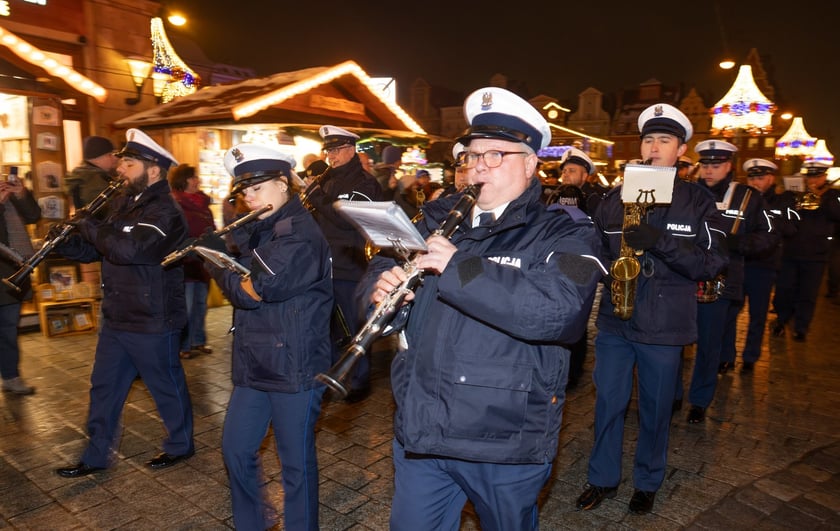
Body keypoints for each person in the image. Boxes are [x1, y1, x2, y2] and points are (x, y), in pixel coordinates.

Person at [363, 87, 605, 530]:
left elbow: (560, 311)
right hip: (424, 428)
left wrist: (459, 267)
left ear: (531, 163)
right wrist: (382, 293)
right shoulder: (432, 217)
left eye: (496, 155)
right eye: (471, 156)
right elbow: (377, 270)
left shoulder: (565, 232)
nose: (478, 166)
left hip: (503, 440)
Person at [577, 103, 728, 514]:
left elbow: (713, 261)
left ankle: (647, 480)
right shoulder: (613, 197)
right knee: (607, 403)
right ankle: (602, 477)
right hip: (615, 320)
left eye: (665, 140)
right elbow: (591, 251)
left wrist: (659, 240)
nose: (654, 146)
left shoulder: (698, 201)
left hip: (665, 326)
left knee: (656, 409)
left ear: (681, 150)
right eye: (649, 139)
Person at [53, 128, 194, 478]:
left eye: (128, 164)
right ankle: (95, 454)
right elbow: (99, 249)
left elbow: (129, 250)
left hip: (152, 317)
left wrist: (88, 225)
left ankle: (180, 445)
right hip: (117, 315)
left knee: (165, 387)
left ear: (154, 170)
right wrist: (64, 243)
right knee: (103, 388)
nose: (120, 170)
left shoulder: (166, 212)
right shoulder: (122, 202)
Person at [206, 143, 332, 531]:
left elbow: (255, 290)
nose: (248, 198)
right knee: (236, 448)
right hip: (257, 362)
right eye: (244, 193)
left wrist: (218, 265)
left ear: (282, 184)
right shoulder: (263, 228)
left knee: (295, 463)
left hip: (295, 365)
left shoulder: (300, 233)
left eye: (256, 189)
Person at [685, 141, 775, 424]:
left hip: (723, 279)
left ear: (729, 166)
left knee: (709, 344)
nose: (710, 171)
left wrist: (742, 242)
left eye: (716, 165)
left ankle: (699, 400)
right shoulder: (686, 192)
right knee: (674, 340)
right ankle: (673, 394)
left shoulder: (748, 197)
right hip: (683, 277)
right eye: (706, 165)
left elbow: (769, 233)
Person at [302, 125, 384, 402]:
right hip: (325, 266)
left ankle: (358, 380)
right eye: (328, 151)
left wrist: (317, 197)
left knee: (353, 326)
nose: (331, 156)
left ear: (351, 150)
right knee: (328, 328)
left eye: (336, 150)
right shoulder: (327, 181)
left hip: (351, 266)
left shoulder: (365, 183)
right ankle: (332, 377)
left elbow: (346, 218)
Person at [723, 159, 795, 373]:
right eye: (752, 177)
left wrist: (767, 215)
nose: (755, 182)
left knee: (758, 314)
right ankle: (726, 356)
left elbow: (791, 227)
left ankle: (750, 357)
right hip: (738, 263)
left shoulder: (782, 200)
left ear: (771, 178)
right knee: (730, 312)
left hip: (763, 266)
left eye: (760, 177)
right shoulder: (741, 198)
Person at [546, 147, 601, 390]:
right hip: (556, 259)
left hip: (582, 262)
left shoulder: (596, 198)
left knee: (578, 316)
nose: (566, 175)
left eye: (572, 170)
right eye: (565, 170)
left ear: (586, 175)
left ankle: (574, 371)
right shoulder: (554, 194)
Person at [772, 160, 840, 341]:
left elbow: (836, 214)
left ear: (824, 177)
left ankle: (801, 328)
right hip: (790, 251)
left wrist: (822, 197)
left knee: (807, 293)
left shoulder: (832, 195)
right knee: (784, 290)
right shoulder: (793, 193)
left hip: (816, 254)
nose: (813, 180)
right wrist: (792, 196)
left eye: (817, 176)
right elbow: (780, 211)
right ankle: (782, 319)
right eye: (810, 176)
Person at [168, 163, 216, 359]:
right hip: (185, 263)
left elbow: (211, 228)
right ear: (183, 180)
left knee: (200, 305)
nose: (197, 181)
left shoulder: (203, 203)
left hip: (202, 263)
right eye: (193, 177)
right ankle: (184, 345)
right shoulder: (176, 203)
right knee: (185, 308)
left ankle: (199, 340)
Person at [0, 174, 41, 395]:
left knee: (8, 327)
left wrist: (22, 194)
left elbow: (34, 215)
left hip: (13, 269)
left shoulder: (9, 192)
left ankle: (10, 376)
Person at [64, 136, 118, 216]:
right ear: (96, 159)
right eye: (109, 155)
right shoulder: (94, 179)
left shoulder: (81, 175)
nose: (115, 158)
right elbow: (107, 210)